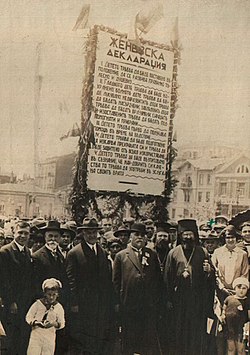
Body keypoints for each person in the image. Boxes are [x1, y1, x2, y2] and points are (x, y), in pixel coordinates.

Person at [164, 219, 215, 355]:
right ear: (180, 236)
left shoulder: (202, 252)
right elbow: (167, 278)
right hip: (179, 300)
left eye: (190, 234)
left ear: (195, 235)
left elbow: (211, 279)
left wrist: (209, 271)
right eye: (185, 234)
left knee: (196, 333)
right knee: (179, 331)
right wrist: (168, 299)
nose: (187, 237)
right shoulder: (173, 253)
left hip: (197, 300)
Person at [66, 217, 114, 354]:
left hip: (100, 304)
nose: (92, 235)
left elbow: (107, 279)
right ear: (83, 234)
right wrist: (74, 303)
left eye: (94, 232)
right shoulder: (75, 253)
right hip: (83, 303)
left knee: (98, 335)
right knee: (83, 338)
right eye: (88, 232)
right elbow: (71, 281)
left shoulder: (102, 252)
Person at [113, 222, 162, 355]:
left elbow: (158, 280)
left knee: (146, 340)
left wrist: (156, 301)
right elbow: (116, 282)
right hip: (129, 305)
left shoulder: (151, 255)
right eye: (136, 235)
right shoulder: (122, 256)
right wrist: (117, 303)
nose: (139, 238)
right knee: (129, 339)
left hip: (148, 306)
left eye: (142, 235)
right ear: (130, 237)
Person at [0, 220, 34, 355]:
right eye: (20, 232)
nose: (23, 236)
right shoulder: (5, 252)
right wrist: (11, 301)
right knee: (11, 336)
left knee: (22, 335)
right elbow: (4, 280)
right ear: (14, 232)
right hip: (11, 303)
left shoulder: (27, 252)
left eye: (26, 233)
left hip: (24, 302)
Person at [26, 278, 65, 355]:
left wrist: (53, 324)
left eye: (54, 295)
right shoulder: (38, 304)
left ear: (57, 295)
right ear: (45, 294)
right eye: (49, 294)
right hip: (36, 336)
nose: (51, 297)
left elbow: (62, 323)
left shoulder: (58, 307)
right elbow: (28, 317)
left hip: (49, 337)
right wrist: (37, 322)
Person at [221, 277, 250, 355]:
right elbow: (224, 309)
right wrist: (223, 315)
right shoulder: (229, 298)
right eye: (239, 287)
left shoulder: (247, 301)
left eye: (244, 288)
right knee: (231, 348)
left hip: (241, 329)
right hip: (230, 328)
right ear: (235, 288)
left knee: (241, 349)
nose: (241, 290)